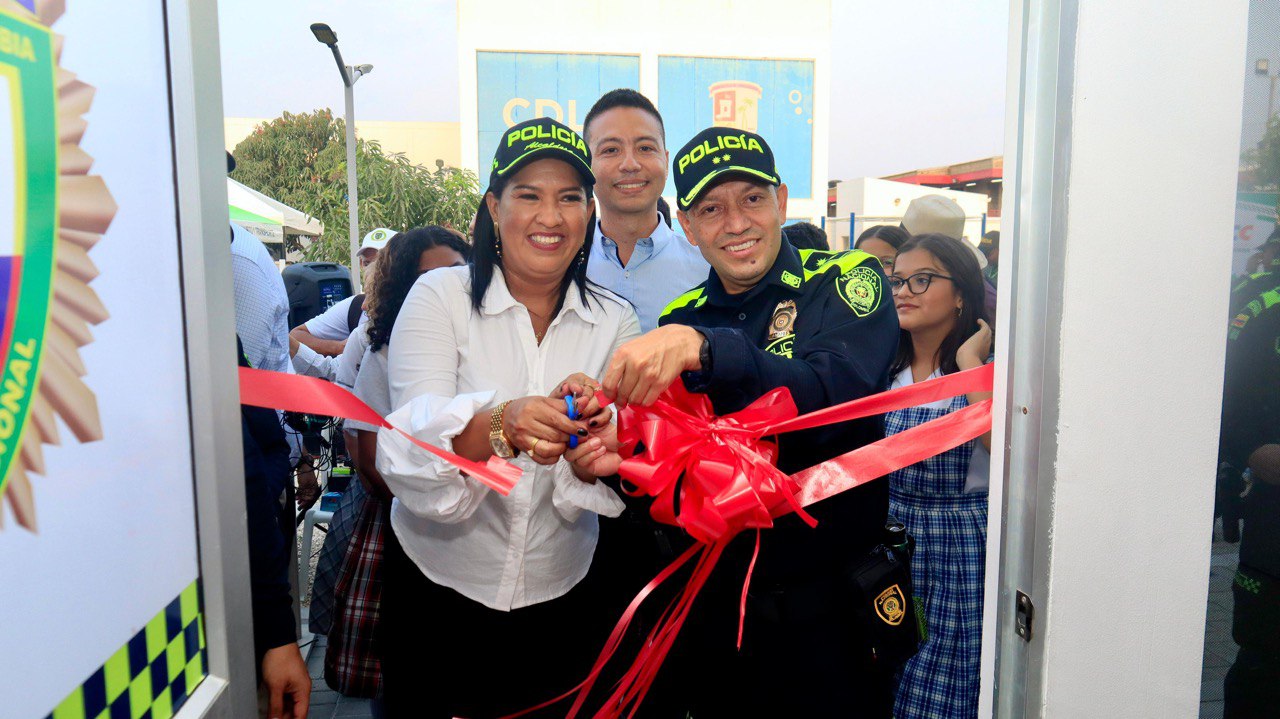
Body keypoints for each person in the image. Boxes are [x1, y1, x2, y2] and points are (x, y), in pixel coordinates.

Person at [603, 127, 901, 717]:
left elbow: (832, 397)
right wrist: (615, 457)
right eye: (711, 209)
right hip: (718, 617)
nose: (736, 223)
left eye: (753, 199)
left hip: (832, 622)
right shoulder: (681, 316)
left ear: (781, 201)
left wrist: (709, 352)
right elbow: (675, 468)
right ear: (688, 227)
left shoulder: (845, 279)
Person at [374, 117, 641, 718]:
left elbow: (613, 464)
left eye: (569, 198)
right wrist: (503, 424)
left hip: (565, 591)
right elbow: (409, 449)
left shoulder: (616, 320)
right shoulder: (439, 297)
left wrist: (594, 446)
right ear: (495, 207)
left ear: (589, 212)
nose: (550, 217)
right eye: (528, 195)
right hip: (437, 588)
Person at [306, 228, 469, 642]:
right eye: (426, 279)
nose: (442, 286)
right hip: (405, 525)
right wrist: (422, 505)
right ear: (404, 289)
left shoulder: (486, 341)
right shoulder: (386, 347)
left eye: (455, 272)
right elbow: (365, 453)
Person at [884, 232, 993, 719]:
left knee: (940, 682)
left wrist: (969, 364)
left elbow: (1004, 449)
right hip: (888, 541)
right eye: (898, 281)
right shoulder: (885, 369)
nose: (904, 292)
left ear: (962, 295)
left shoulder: (986, 371)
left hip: (954, 548)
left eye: (922, 280)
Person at [583, 88, 709, 331]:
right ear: (588, 165)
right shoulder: (563, 270)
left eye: (645, 148)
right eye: (611, 150)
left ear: (666, 160)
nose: (630, 164)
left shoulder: (708, 270)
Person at [1219, 270, 1280, 717]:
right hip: (1273, 531)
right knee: (1263, 664)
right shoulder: (1264, 304)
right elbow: (1224, 394)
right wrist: (1253, 449)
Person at [289, 227, 396, 358]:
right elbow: (296, 336)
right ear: (361, 263)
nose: (372, 269)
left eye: (380, 263)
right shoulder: (354, 307)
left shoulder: (412, 308)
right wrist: (339, 347)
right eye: (367, 263)